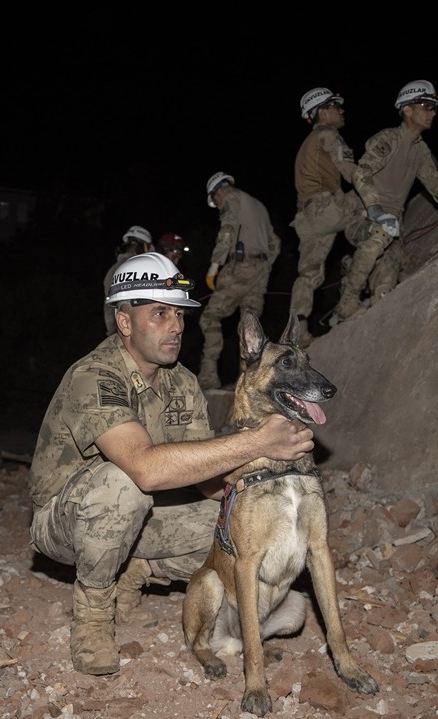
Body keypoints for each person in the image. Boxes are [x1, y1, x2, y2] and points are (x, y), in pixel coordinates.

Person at [29, 252, 318, 675]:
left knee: (242, 521)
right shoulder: (94, 375)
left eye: (179, 314)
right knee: (123, 483)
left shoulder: (181, 381)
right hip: (65, 519)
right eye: (160, 313)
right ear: (124, 323)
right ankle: (92, 618)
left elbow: (203, 478)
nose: (177, 326)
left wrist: (261, 486)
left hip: (143, 512)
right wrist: (258, 441)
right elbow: (145, 468)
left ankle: (137, 569)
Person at [337, 80, 438, 321]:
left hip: (394, 227)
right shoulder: (389, 139)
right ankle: (347, 300)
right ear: (407, 109)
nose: (432, 112)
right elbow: (361, 172)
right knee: (378, 236)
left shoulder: (421, 151)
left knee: (385, 293)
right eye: (426, 106)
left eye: (434, 108)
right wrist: (376, 210)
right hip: (362, 215)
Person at [290, 87, 363, 345]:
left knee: (308, 273)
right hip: (325, 209)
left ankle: (298, 331)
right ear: (323, 111)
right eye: (335, 105)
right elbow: (350, 170)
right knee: (373, 201)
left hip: (306, 218)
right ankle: (358, 281)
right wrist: (373, 194)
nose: (341, 110)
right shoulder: (328, 133)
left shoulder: (304, 146)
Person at [199, 173, 281, 390]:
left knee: (210, 317)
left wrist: (214, 265)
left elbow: (227, 230)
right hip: (261, 271)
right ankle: (247, 379)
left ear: (218, 191)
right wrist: (265, 266)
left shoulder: (230, 198)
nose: (217, 205)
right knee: (249, 324)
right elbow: (275, 243)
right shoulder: (259, 205)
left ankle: (208, 377)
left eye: (215, 201)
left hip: (240, 266)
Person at [102, 225, 153, 336]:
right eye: (147, 247)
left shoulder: (138, 268)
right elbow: (111, 307)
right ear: (140, 247)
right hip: (124, 334)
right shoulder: (122, 269)